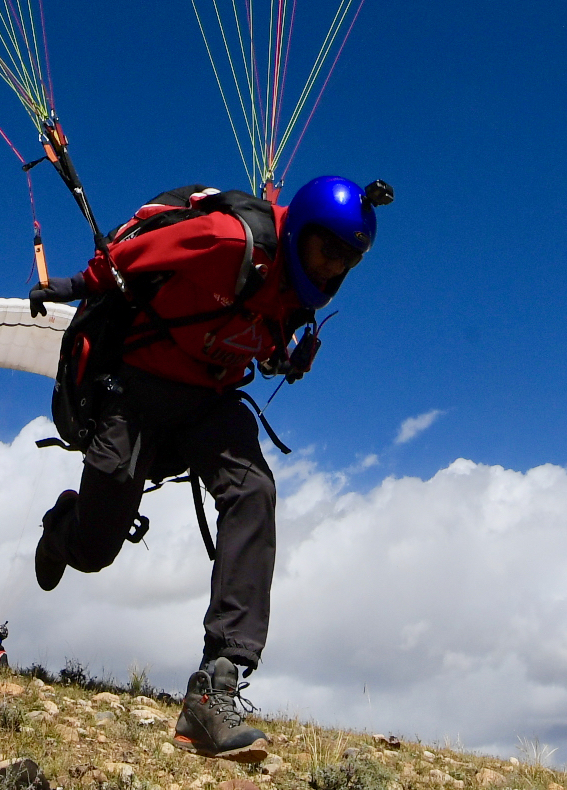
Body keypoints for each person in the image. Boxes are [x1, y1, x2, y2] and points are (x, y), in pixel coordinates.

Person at [28, 177, 386, 762]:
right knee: (94, 551)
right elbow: (129, 258)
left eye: (344, 261)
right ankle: (66, 523)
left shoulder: (297, 295)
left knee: (254, 491)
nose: (329, 271)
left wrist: (280, 360)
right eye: (326, 252)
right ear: (301, 233)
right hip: (137, 387)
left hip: (207, 401)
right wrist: (73, 285)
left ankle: (217, 685)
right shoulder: (226, 239)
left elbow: (253, 336)